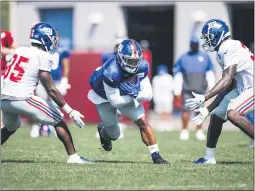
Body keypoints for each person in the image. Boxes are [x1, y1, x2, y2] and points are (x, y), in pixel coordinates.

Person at [1, 22, 90, 164]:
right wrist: (70, 111)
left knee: (11, 126)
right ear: (45, 38)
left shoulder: (20, 50)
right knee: (58, 118)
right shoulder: (42, 55)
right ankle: (73, 157)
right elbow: (50, 89)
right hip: (22, 98)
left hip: (3, 99)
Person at [185, 19, 254, 164]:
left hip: (252, 88)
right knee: (216, 116)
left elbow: (227, 80)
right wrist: (207, 109)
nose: (206, 41)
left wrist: (204, 97)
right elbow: (227, 86)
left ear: (218, 35)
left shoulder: (228, 46)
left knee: (233, 113)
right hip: (243, 89)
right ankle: (209, 157)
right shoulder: (222, 51)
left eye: (208, 38)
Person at [87, 39, 168, 164]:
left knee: (143, 121)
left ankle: (156, 155)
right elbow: (115, 101)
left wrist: (134, 94)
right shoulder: (111, 71)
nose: (133, 65)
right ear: (120, 58)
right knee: (115, 135)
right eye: (130, 61)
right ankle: (103, 131)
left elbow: (148, 94)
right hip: (104, 95)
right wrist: (134, 95)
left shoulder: (142, 66)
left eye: (136, 61)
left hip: (125, 94)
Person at [173, 36, 215, 141]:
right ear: (190, 45)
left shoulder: (205, 57)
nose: (194, 46)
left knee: (200, 111)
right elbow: (178, 75)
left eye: (196, 44)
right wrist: (177, 91)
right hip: (187, 89)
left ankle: (199, 131)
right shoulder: (184, 57)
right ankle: (184, 130)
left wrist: (211, 89)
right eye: (193, 44)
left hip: (201, 90)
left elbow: (210, 73)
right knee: (186, 110)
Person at [30, 30, 71, 138]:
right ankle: (36, 126)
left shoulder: (62, 50)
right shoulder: (42, 49)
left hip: (56, 81)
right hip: (42, 80)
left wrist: (65, 80)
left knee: (55, 105)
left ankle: (53, 126)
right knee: (39, 103)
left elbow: (65, 66)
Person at [1, 30, 16, 127]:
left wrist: (10, 52)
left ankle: (2, 125)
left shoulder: (5, 34)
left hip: (3, 73)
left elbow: (15, 48)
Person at [152, 65, 174, 131]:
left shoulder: (169, 78)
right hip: (159, 97)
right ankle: (162, 124)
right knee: (161, 111)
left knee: (167, 111)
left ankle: (168, 124)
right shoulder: (155, 78)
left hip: (167, 96)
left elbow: (172, 88)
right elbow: (154, 89)